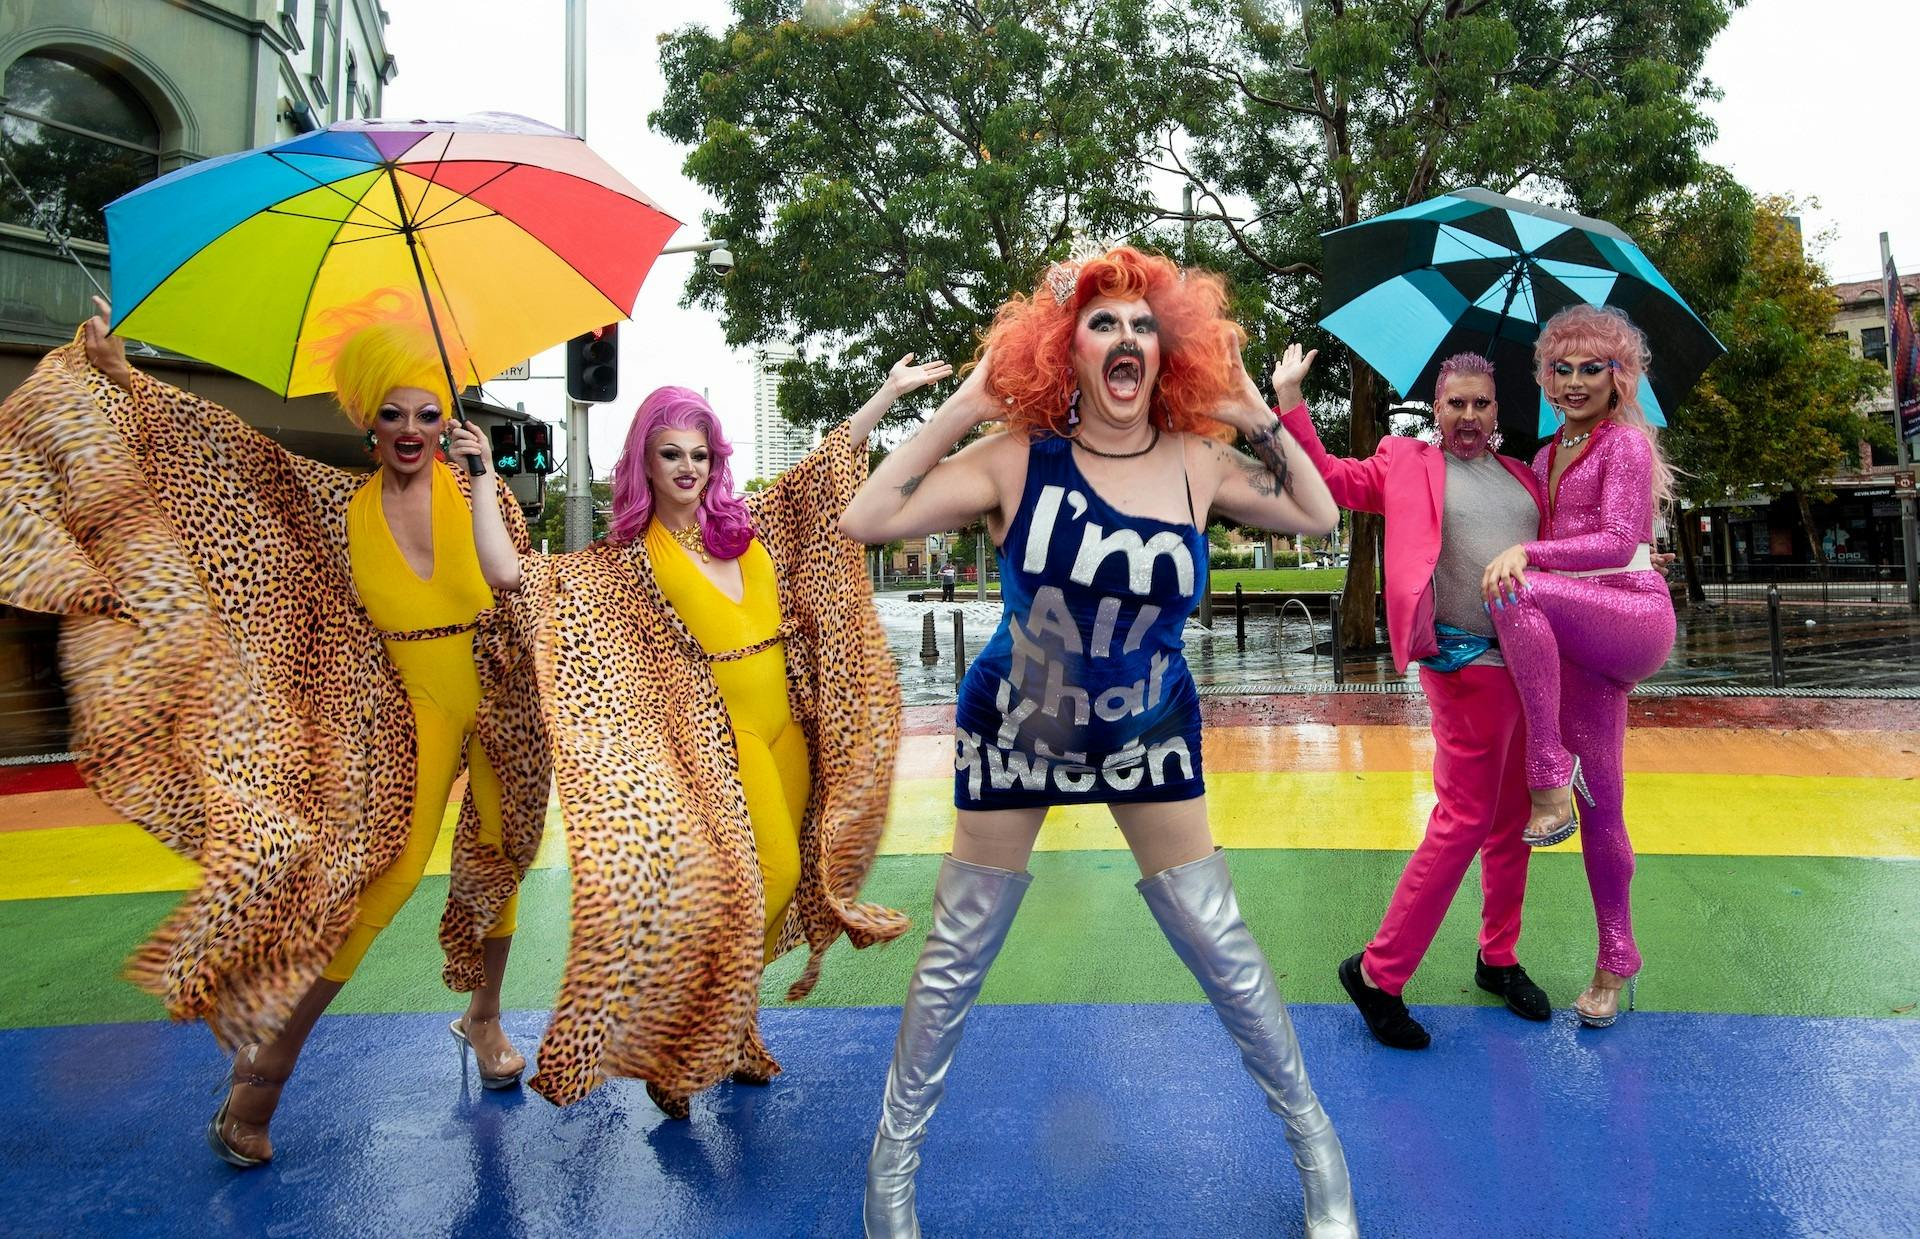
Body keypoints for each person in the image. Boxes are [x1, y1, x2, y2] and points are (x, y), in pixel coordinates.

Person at [839, 245, 1358, 1239]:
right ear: (1065, 351)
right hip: (1016, 726)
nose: (1125, 338)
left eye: (1143, 324)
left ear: (1172, 351)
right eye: (1101, 322)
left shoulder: (1202, 460)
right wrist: (962, 410)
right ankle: (891, 1176)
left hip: (1148, 724)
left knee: (1221, 943)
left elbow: (1317, 511)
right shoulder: (1011, 461)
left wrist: (1262, 415)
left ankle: (1316, 1151)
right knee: (957, 952)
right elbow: (868, 517)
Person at [0, 295, 550, 1168]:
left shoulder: (480, 492)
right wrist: (121, 376)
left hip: (504, 696)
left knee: (502, 851)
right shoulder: (336, 505)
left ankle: (483, 1016)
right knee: (390, 879)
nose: (411, 429)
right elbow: (221, 452)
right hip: (406, 711)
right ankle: (266, 1070)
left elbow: (510, 582)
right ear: (368, 420)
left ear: (448, 419)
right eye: (393, 414)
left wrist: (483, 475)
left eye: (428, 413)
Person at [488, 355, 948, 1113]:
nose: (688, 467)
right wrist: (479, 474)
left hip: (786, 724)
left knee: (794, 875)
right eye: (671, 453)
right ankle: (690, 1035)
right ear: (644, 459)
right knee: (760, 876)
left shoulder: (746, 526)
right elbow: (513, 573)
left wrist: (887, 397)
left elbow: (824, 469)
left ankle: (731, 1026)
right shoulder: (624, 562)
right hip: (719, 736)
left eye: (700, 454)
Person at [1283, 352, 1553, 1048]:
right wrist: (1289, 401)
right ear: (1436, 407)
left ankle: (1498, 956)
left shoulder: (1524, 476)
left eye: (1482, 404)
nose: (1469, 417)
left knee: (1515, 815)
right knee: (1463, 819)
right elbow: (1333, 480)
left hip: (1531, 667)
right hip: (1463, 664)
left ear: (1498, 411)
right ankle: (1378, 972)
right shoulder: (1406, 462)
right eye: (1456, 403)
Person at [1482, 305, 1678, 1028]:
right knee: (1605, 800)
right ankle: (1615, 959)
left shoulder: (1623, 445)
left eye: (1590, 368)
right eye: (1558, 369)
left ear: (1618, 375)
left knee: (1518, 587)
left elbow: (1618, 537)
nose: (1571, 382)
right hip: (1575, 637)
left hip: (1630, 614)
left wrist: (1531, 556)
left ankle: (1544, 778)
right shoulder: (1542, 456)